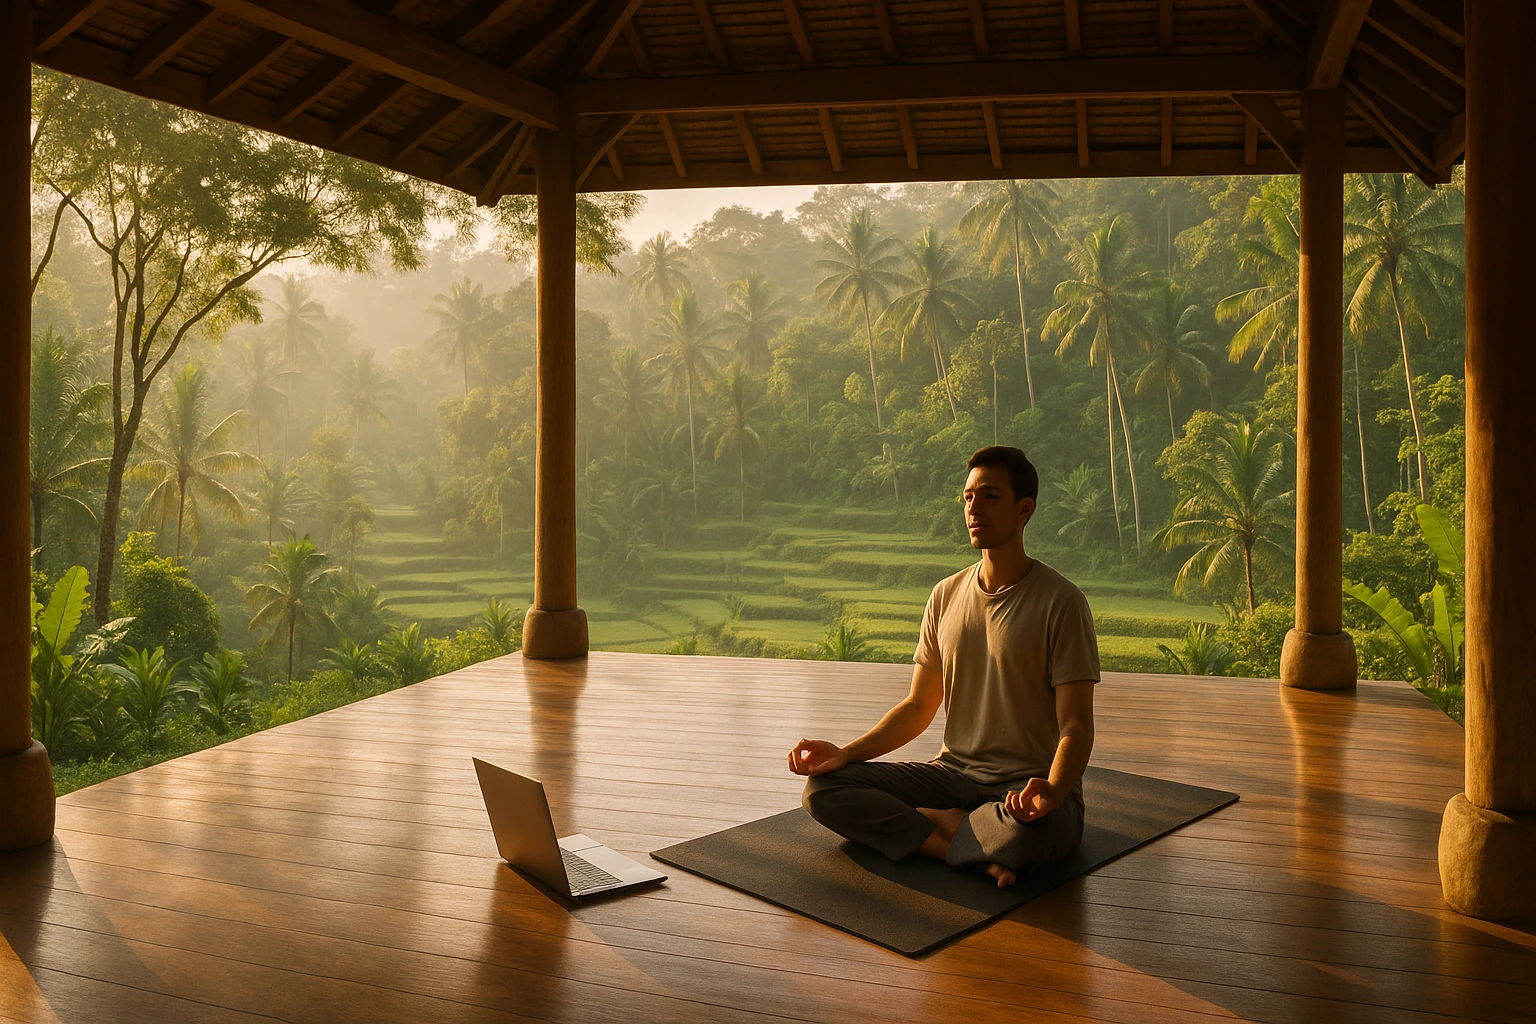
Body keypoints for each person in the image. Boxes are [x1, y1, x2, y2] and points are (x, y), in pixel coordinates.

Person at [788, 446, 1099, 888]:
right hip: (951, 776)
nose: (975, 507)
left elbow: (1076, 726)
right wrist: (846, 754)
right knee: (823, 790)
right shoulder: (945, 595)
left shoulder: (1062, 603)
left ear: (1024, 509)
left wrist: (1053, 789)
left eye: (990, 496)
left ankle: (934, 827)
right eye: (969, 497)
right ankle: (953, 841)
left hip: (1025, 787)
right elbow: (918, 706)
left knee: (1036, 837)